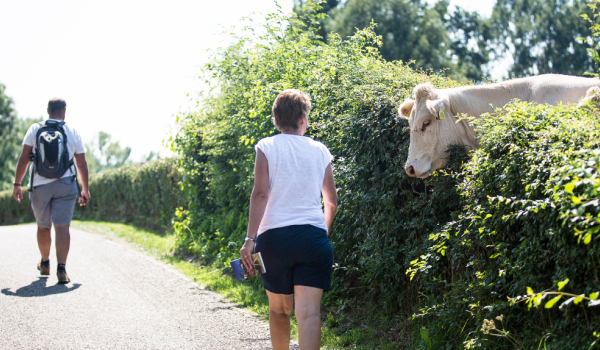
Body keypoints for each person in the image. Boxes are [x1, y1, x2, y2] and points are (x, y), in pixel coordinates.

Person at [240, 89, 338, 350]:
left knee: (279, 310)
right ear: (303, 118)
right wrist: (321, 232)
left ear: (276, 119)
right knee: (309, 314)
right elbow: (331, 202)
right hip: (313, 240)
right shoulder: (320, 150)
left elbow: (260, 194)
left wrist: (250, 240)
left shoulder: (267, 146)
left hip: (274, 241)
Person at [12, 98, 90, 284]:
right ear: (64, 111)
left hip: (39, 185)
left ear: (48, 111)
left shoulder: (35, 129)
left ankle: (45, 262)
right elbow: (81, 163)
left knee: (43, 225)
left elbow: (24, 158)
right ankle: (61, 269)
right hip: (65, 185)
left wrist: (17, 184)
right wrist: (85, 189)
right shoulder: (71, 131)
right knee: (62, 226)